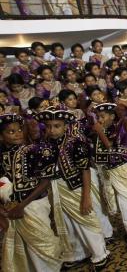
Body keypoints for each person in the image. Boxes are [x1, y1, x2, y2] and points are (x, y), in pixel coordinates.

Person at [34, 105, 110, 270]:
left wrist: (86, 196)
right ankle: (77, 253)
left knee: (85, 220)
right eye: (48, 126)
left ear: (66, 126)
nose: (52, 130)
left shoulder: (76, 141)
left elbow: (85, 171)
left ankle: (100, 253)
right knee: (66, 223)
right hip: (56, 188)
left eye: (57, 126)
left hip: (75, 187)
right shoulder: (45, 144)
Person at [0, 113, 63, 272]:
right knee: (24, 250)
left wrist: (22, 206)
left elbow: (45, 182)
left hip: (34, 204)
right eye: (11, 131)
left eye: (20, 129)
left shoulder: (33, 151)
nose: (17, 134)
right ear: (1, 136)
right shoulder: (2, 156)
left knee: (43, 242)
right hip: (11, 209)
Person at [92, 102, 127, 251]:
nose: (100, 120)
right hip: (109, 171)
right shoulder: (101, 131)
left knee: (124, 203)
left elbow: (113, 150)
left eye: (102, 116)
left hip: (122, 169)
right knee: (126, 200)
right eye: (97, 117)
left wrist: (100, 133)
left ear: (111, 116)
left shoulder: (119, 129)